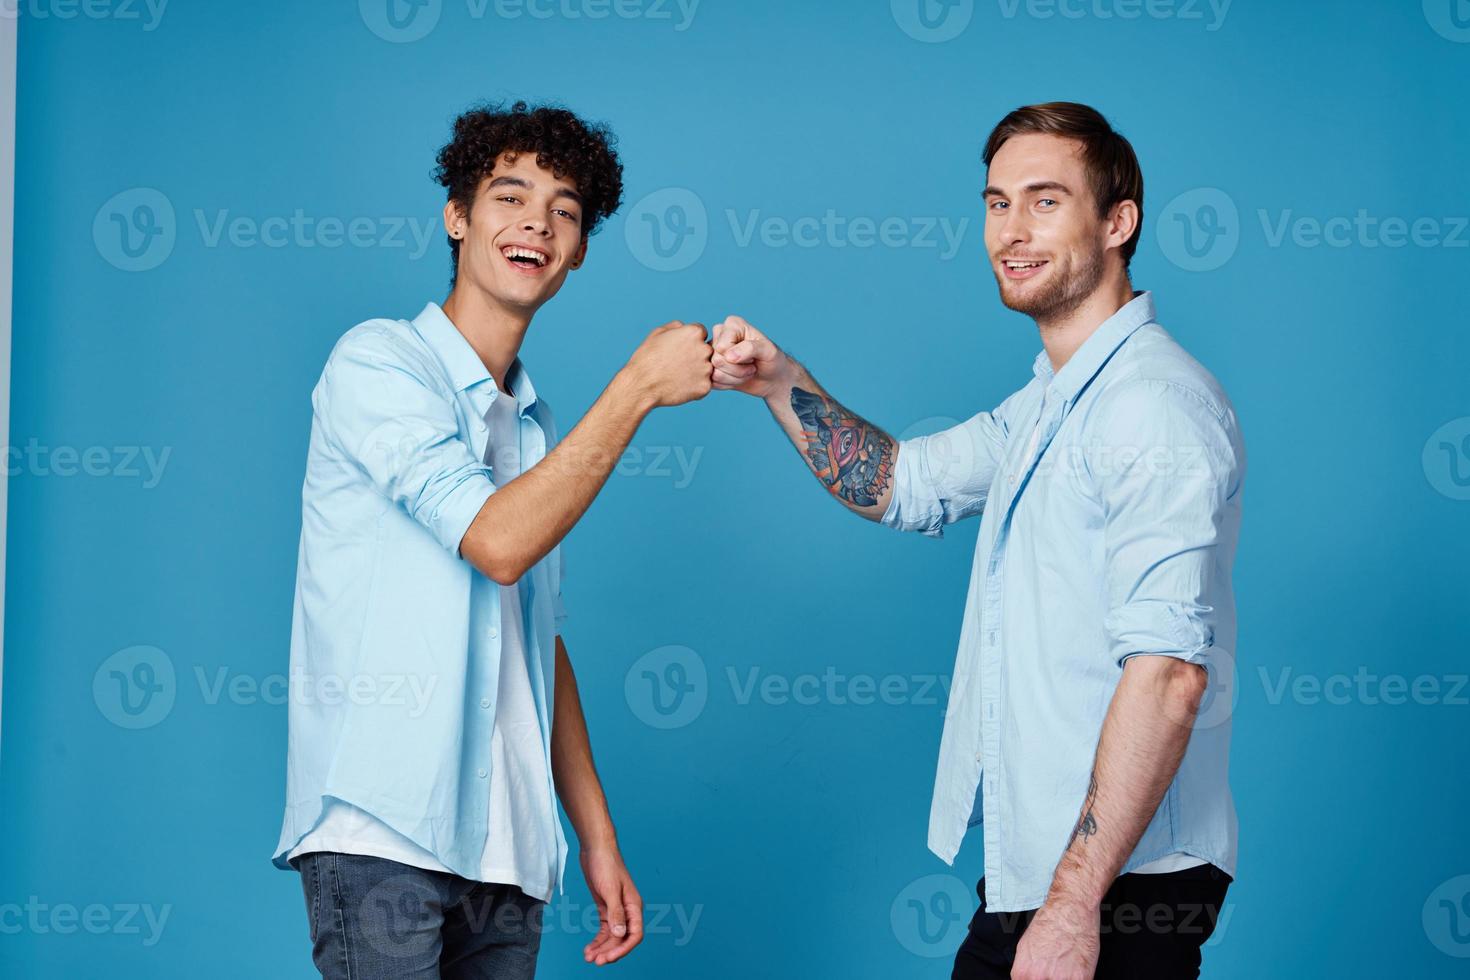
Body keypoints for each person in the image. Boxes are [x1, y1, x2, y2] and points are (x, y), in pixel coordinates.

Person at [710, 102, 1242, 979]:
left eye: (1044, 201)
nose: (1010, 230)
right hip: (1050, 876)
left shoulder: (1152, 407)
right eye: (997, 203)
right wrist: (780, 384)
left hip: (1120, 886)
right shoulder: (1047, 403)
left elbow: (1170, 673)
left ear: (1118, 222)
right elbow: (901, 484)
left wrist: (1073, 905)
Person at [272, 100, 714, 979]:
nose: (536, 223)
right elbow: (496, 543)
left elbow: (535, 644)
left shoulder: (538, 431)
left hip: (509, 857)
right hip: (382, 836)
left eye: (564, 210)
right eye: (509, 195)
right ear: (458, 216)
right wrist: (636, 388)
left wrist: (596, 836)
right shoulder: (378, 363)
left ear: (579, 249)